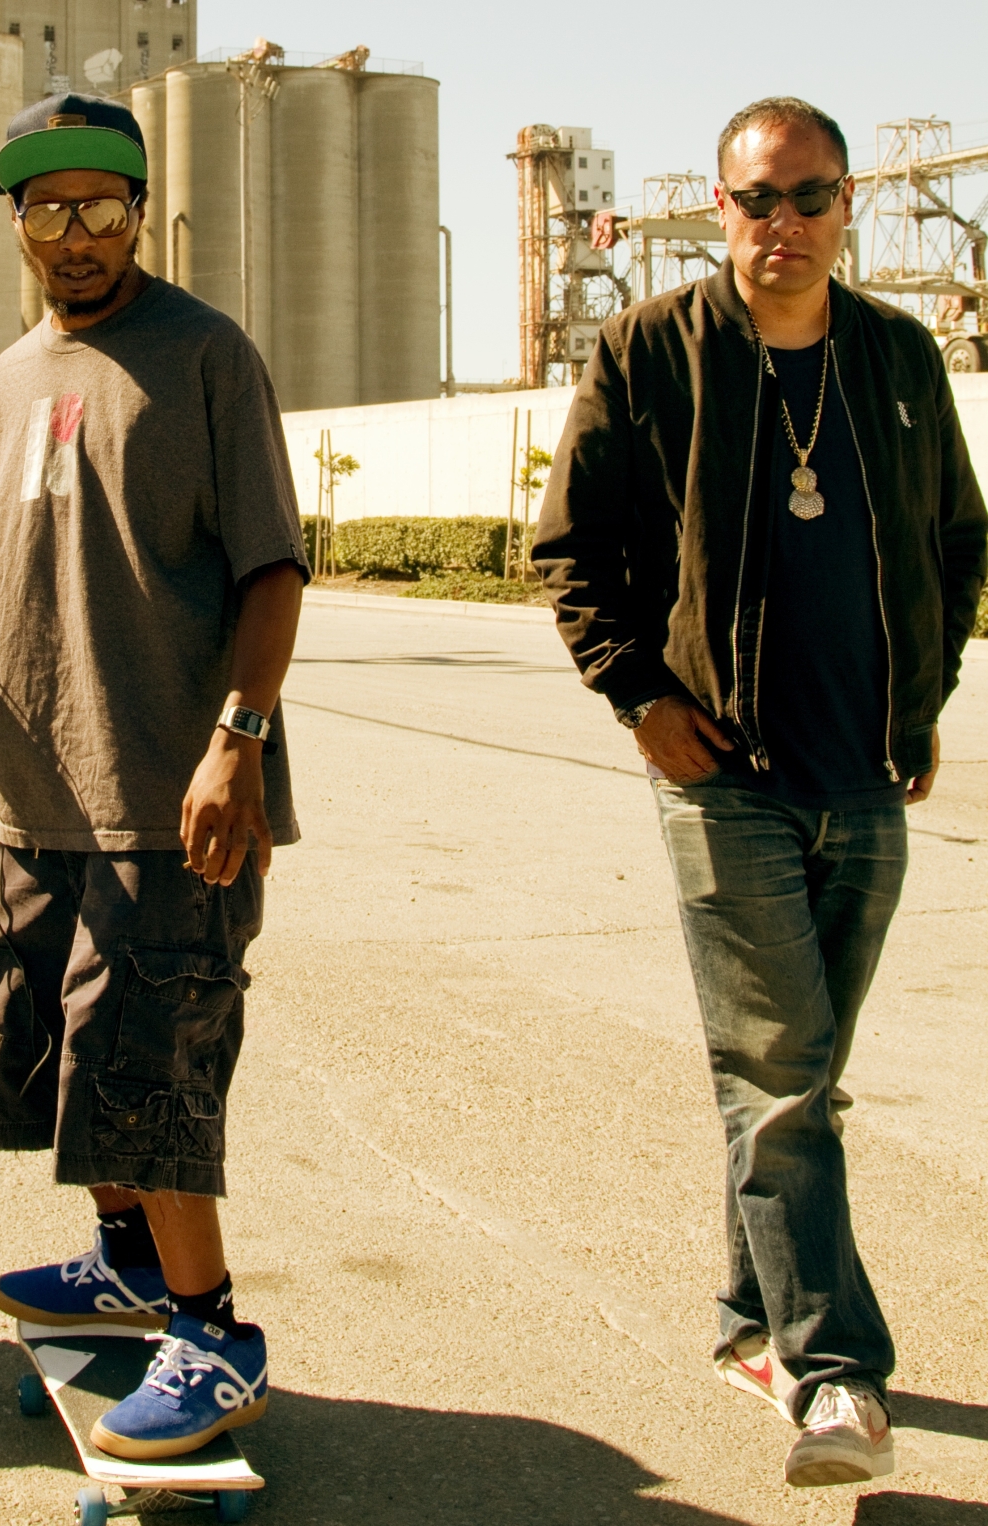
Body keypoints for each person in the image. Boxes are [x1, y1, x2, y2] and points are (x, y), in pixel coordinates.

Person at [534, 97, 987, 1489]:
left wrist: (920, 701)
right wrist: (639, 697)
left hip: (865, 773)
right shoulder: (648, 350)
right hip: (722, 777)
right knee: (779, 1077)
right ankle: (837, 1375)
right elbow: (568, 549)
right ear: (717, 209)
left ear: (847, 204)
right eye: (753, 199)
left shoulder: (898, 356)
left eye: (807, 197)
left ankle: (748, 1315)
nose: (780, 224)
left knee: (797, 1080)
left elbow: (957, 539)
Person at [0, 95, 308, 1460]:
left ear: (138, 212)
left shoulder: (205, 353)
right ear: (16, 221)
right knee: (50, 1055)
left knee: (148, 1067)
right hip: (38, 787)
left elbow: (270, 565)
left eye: (98, 206)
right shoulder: (14, 372)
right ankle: (128, 1262)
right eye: (45, 208)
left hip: (171, 790)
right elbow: (59, 533)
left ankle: (213, 1334)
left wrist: (238, 738)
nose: (72, 233)